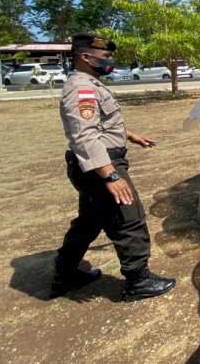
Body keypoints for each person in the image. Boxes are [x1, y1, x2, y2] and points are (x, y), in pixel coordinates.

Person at [50, 32, 175, 301]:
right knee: (128, 219)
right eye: (105, 56)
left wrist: (129, 135)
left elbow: (101, 123)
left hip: (95, 164)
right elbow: (84, 135)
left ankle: (66, 273)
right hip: (100, 166)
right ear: (85, 57)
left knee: (89, 222)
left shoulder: (90, 83)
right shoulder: (82, 88)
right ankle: (138, 280)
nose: (110, 61)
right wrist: (111, 175)